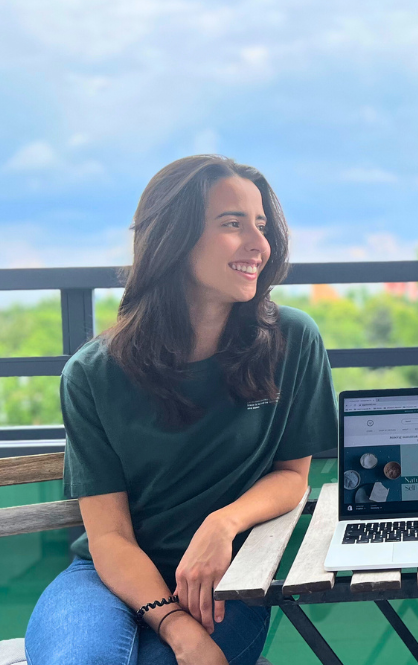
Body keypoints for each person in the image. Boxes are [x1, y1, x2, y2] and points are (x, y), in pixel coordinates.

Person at [24, 155, 338, 665]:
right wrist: (173, 625)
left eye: (261, 225)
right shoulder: (92, 374)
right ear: (174, 237)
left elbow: (292, 477)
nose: (259, 245)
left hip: (226, 576)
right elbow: (109, 536)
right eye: (232, 224)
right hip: (107, 579)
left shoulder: (292, 340)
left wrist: (222, 525)